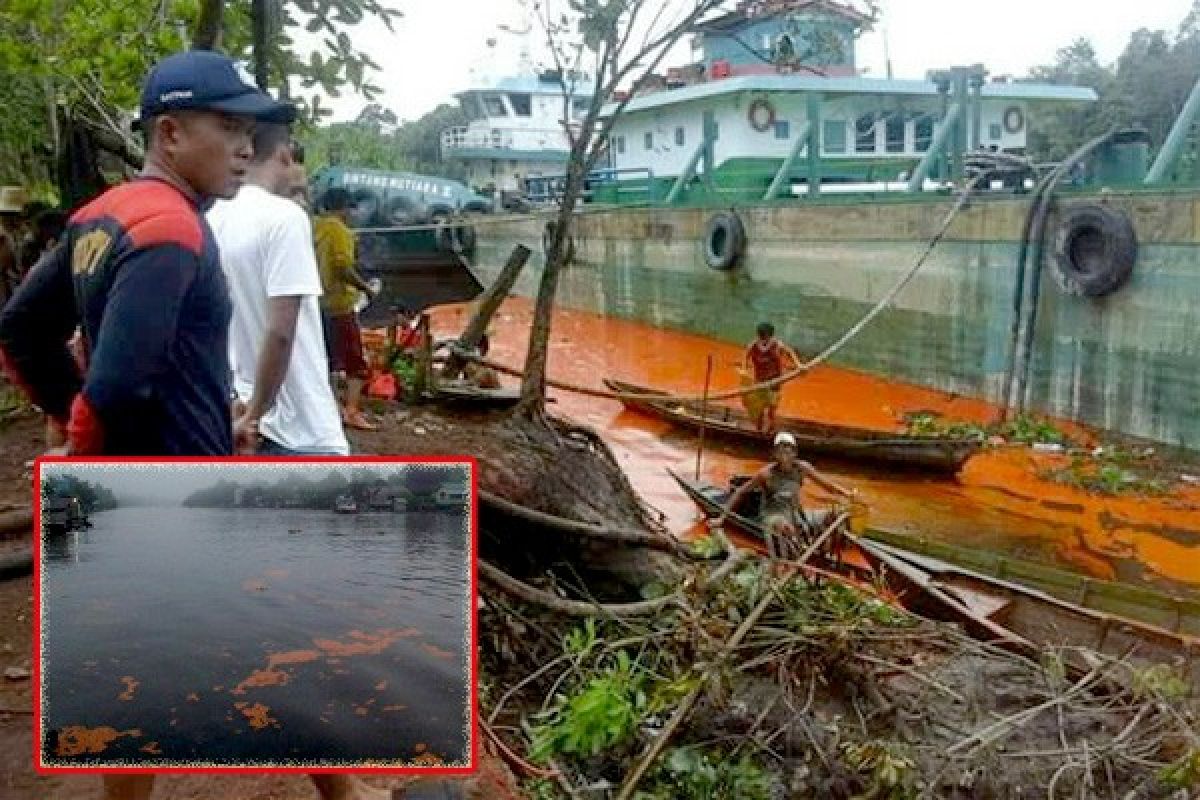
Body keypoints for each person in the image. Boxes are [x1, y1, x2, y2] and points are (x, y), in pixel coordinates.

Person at [207, 122, 350, 457]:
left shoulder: (213, 215)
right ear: (285, 155)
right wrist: (257, 412)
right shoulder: (285, 218)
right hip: (298, 428)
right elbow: (280, 331)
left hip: (235, 409)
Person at [714, 432, 858, 559]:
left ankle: (823, 551)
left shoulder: (802, 468)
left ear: (795, 452)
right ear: (775, 453)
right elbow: (741, 492)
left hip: (796, 514)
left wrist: (847, 493)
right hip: (773, 516)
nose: (785, 451)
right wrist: (722, 518)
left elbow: (828, 486)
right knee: (785, 527)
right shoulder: (766, 473)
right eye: (781, 447)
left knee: (835, 515)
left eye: (788, 447)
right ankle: (796, 552)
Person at [315, 187, 379, 431]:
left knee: (326, 360)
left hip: (317, 303)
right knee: (355, 361)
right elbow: (342, 266)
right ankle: (351, 411)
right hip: (339, 304)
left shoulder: (315, 227)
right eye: (350, 209)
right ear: (344, 208)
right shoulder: (339, 230)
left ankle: (329, 409)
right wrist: (366, 288)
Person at [741, 321, 801, 433]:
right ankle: (758, 431)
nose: (763, 339)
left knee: (772, 409)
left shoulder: (777, 345)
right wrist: (744, 370)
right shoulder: (753, 345)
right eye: (761, 336)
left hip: (775, 381)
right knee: (759, 408)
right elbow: (745, 356)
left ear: (770, 335)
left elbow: (790, 352)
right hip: (760, 381)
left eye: (765, 336)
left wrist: (798, 365)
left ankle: (770, 430)